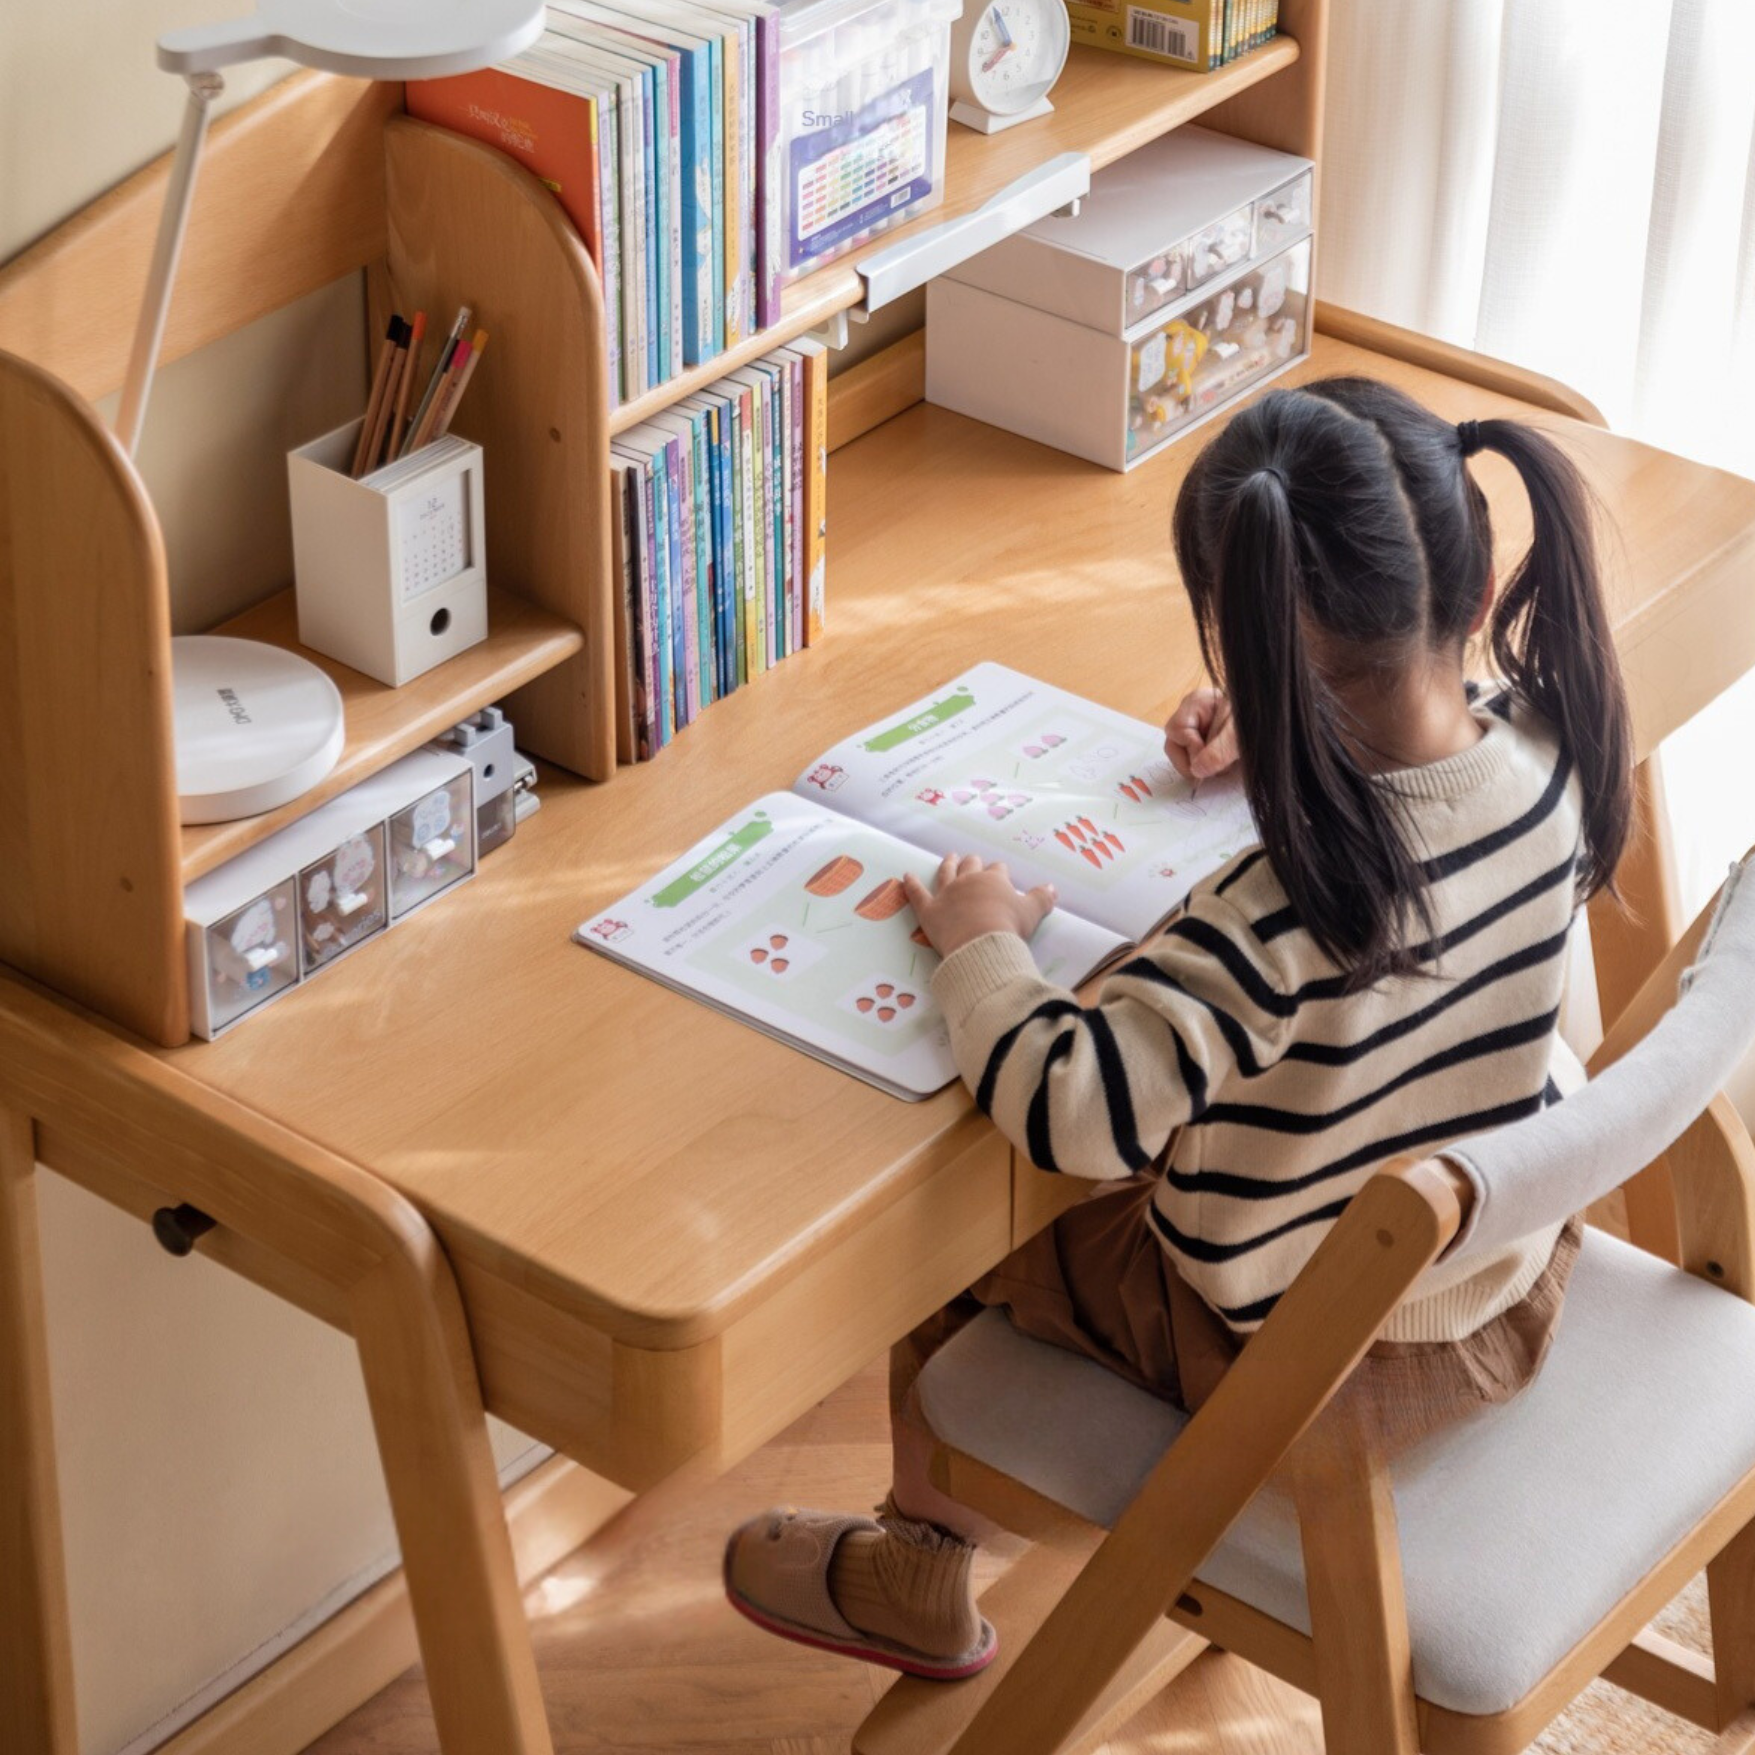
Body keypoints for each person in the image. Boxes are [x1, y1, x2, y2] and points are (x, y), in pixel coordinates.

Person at [723, 377, 1634, 1679]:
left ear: (1245, 642)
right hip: (1499, 1272)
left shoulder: (1279, 919)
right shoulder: (1552, 742)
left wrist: (978, 942)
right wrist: (1283, 743)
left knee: (962, 1240)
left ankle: (917, 1569)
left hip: (1303, 1352)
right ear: (1471, 596)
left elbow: (1072, 1111)